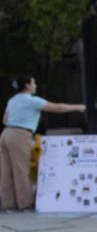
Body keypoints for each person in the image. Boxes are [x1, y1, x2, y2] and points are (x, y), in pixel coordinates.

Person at [1, 76, 85, 211]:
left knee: (6, 170)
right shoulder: (32, 101)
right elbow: (57, 108)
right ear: (27, 85)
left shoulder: (12, 100)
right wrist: (78, 107)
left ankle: (7, 205)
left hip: (5, 134)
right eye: (34, 82)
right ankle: (25, 203)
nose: (35, 85)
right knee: (21, 170)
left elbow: (5, 119)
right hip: (20, 134)